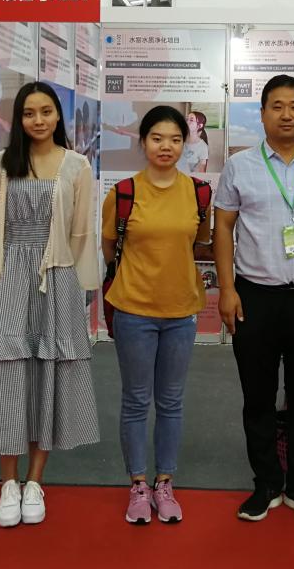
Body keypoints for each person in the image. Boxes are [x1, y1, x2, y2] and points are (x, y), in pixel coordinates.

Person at [0, 81, 100, 528]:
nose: (38, 120)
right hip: (7, 278)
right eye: (29, 113)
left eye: (46, 111)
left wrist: (76, 288)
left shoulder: (77, 165)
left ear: (58, 115)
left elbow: (81, 233)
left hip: (56, 276)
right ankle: (7, 481)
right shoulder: (0, 163)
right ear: (18, 119)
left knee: (47, 373)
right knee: (7, 374)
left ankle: (35, 481)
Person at [215, 74, 294, 525]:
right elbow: (223, 226)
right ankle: (267, 482)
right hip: (256, 297)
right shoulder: (240, 166)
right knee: (258, 396)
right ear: (262, 113)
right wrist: (226, 289)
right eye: (277, 106)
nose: (286, 115)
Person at [102, 106, 212, 525]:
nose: (166, 146)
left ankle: (164, 483)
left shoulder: (199, 193)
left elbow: (199, 242)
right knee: (135, 400)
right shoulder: (124, 193)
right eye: (157, 138)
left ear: (185, 144)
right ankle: (137, 485)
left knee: (171, 402)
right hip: (134, 310)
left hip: (181, 311)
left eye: (175, 139)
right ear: (143, 141)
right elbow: (109, 247)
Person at [177, 109, 210, 174]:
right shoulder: (178, 141)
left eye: (191, 120)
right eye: (186, 119)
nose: (187, 122)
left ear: (199, 126)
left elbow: (202, 173)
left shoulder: (203, 147)